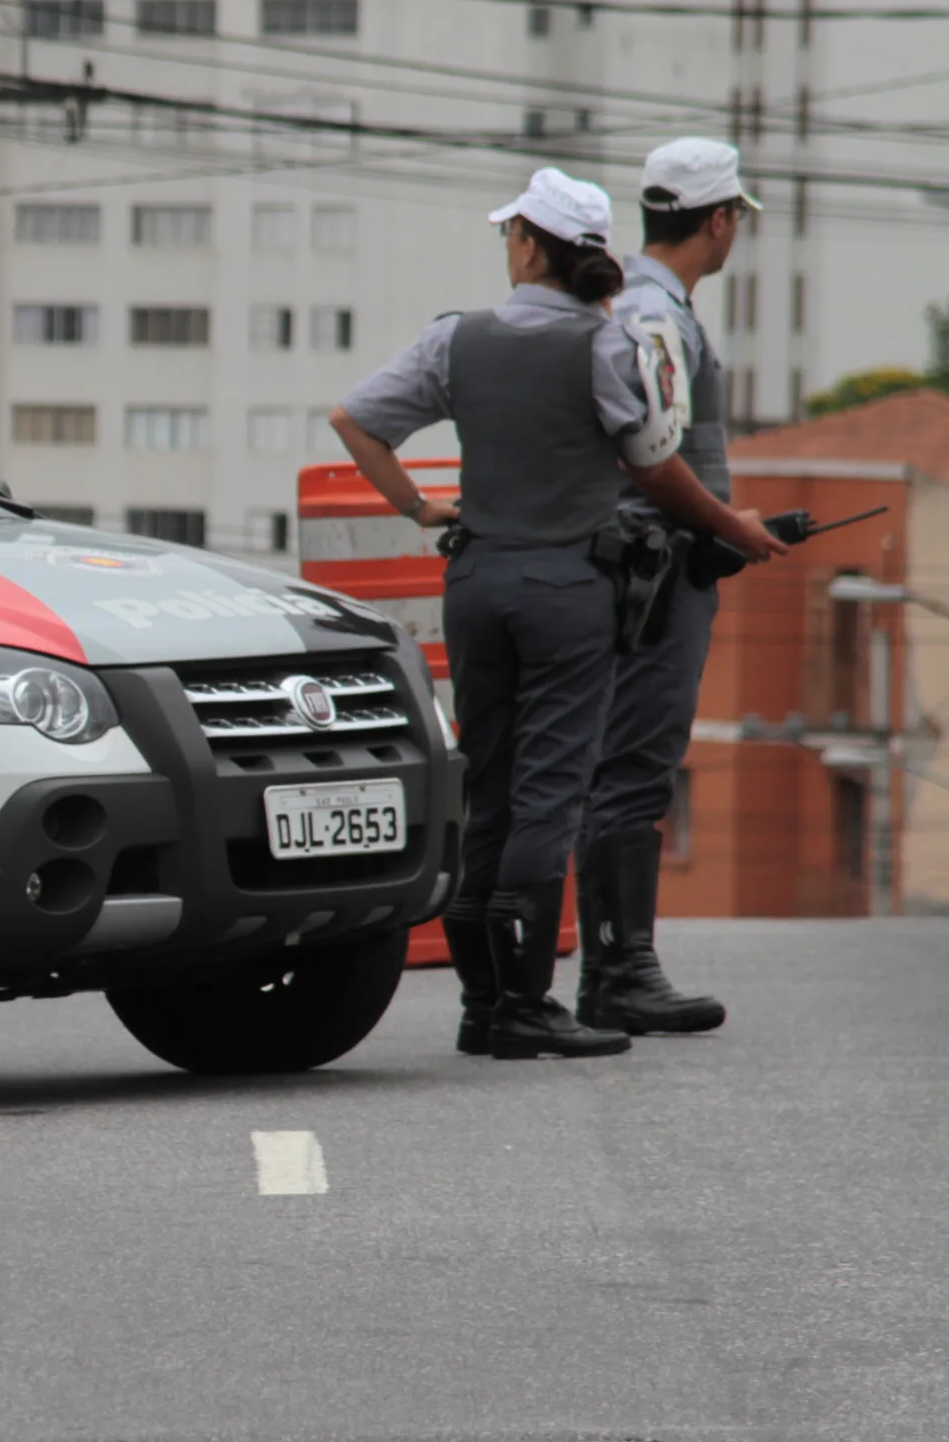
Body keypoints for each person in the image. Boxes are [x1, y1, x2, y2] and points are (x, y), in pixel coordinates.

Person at [328, 168, 783, 1060]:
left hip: (477, 582)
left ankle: (483, 1005)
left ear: (530, 246)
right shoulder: (607, 346)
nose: (507, 245)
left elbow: (355, 420)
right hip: (568, 589)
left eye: (511, 234)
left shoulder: (456, 340)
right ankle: (528, 1002)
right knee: (551, 790)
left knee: (486, 784)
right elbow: (654, 464)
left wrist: (421, 511)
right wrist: (731, 526)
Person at [574, 140, 760, 1036]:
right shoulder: (657, 313)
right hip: (653, 570)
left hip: (655, 560)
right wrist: (732, 526)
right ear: (719, 219)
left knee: (625, 761)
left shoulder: (649, 302)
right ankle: (620, 969)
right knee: (634, 762)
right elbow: (649, 457)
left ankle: (615, 966)